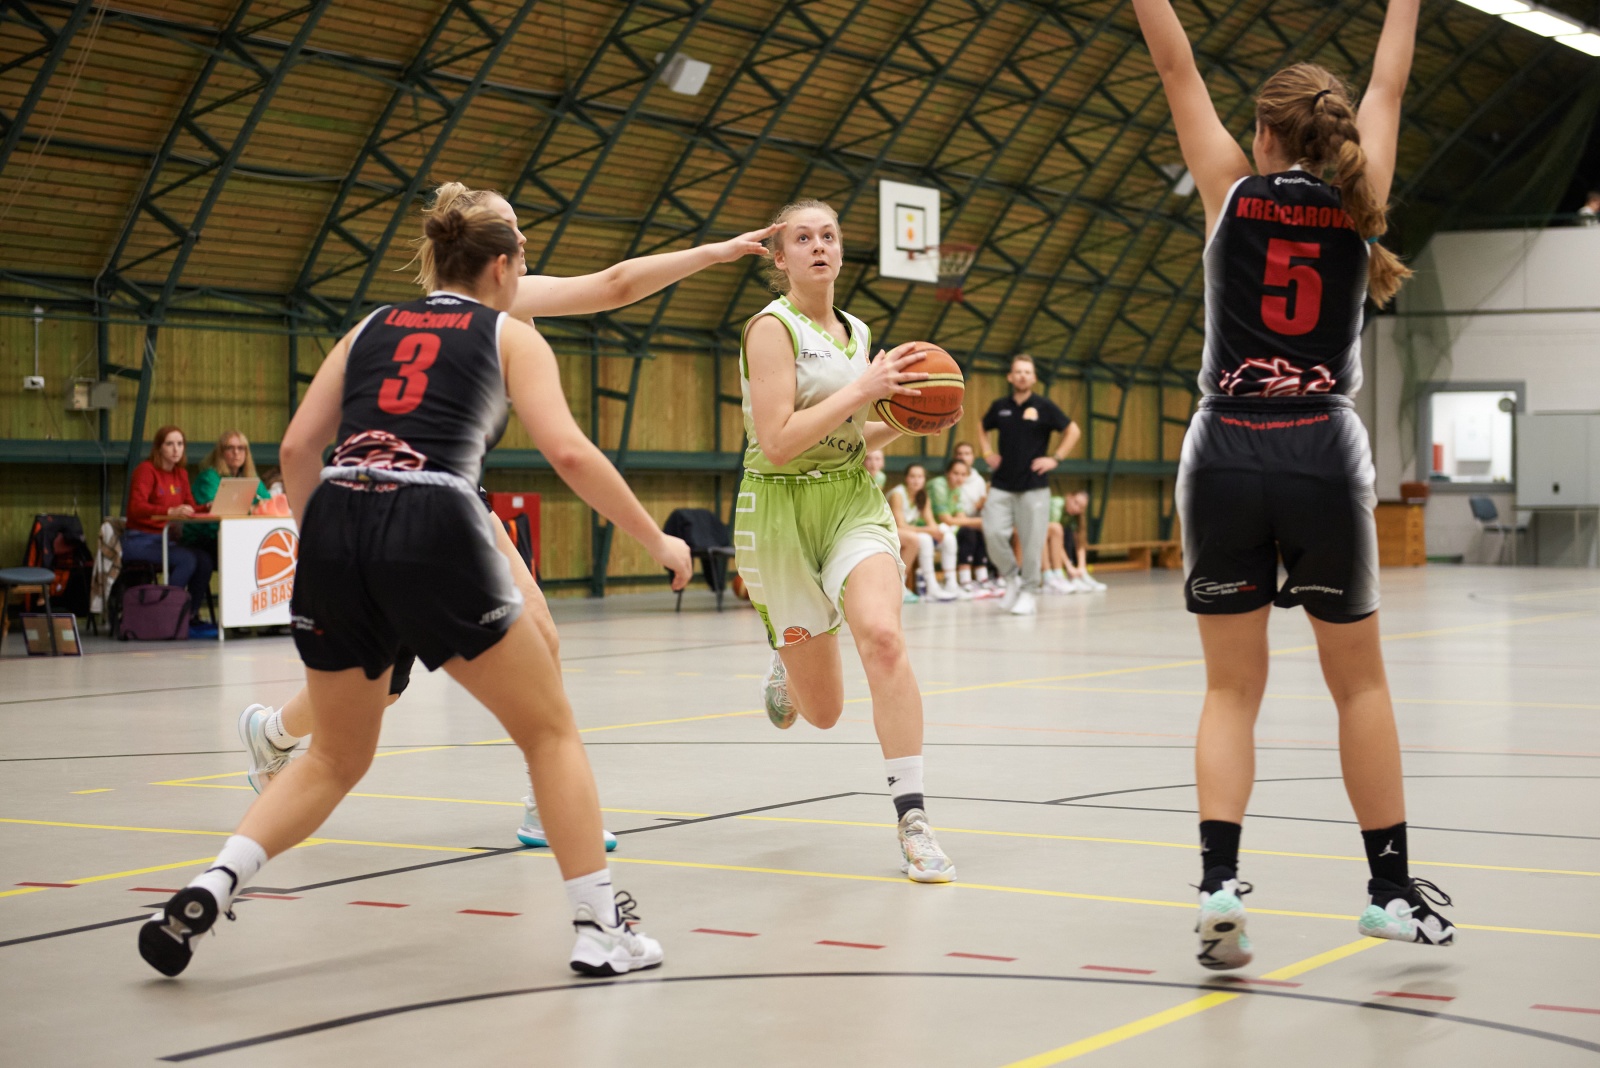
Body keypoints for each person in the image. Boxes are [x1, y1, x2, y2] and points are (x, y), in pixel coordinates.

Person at [138, 204, 693, 980]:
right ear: (500, 267)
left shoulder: (368, 327)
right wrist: (657, 540)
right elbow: (569, 452)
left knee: (333, 757)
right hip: (432, 515)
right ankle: (602, 929)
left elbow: (296, 447)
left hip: (336, 519)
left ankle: (215, 881)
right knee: (548, 732)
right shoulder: (510, 336)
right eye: (522, 260)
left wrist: (325, 543)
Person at [236, 181, 780, 853]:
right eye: (509, 228)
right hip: (417, 497)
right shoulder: (483, 305)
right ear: (483, 249)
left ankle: (530, 801)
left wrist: (713, 253)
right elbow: (612, 286)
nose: (522, 240)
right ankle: (275, 734)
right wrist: (714, 253)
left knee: (507, 644)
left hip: (445, 498)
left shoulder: (484, 302)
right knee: (386, 680)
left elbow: (615, 285)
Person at [1134, 0, 1453, 971]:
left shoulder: (1229, 191)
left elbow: (1176, 67)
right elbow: (1391, 80)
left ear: (1263, 134)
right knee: (1358, 685)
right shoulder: (1361, 201)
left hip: (1225, 451)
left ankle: (1218, 886)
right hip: (1320, 450)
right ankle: (1389, 891)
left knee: (1231, 690)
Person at [737, 197, 956, 883]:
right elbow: (778, 442)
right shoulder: (769, 330)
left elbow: (852, 434)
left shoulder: (857, 332)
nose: (818, 246)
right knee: (824, 713)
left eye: (828, 235)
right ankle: (788, 658)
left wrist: (914, 418)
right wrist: (865, 388)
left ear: (840, 249)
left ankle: (914, 822)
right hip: (777, 512)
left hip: (850, 501)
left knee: (883, 638)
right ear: (780, 258)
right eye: (802, 238)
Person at [980, 355, 1081, 616]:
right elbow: (982, 425)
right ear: (1010, 377)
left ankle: (1028, 592)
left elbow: (1073, 430)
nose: (1023, 375)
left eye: (1027, 372)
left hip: (1034, 486)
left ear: (1034, 378)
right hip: (1002, 484)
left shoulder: (1044, 406)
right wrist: (987, 452)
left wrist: (1055, 458)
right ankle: (1011, 578)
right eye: (1018, 371)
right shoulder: (1000, 406)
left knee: (1032, 543)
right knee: (992, 532)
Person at [122, 425, 214, 628]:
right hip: (140, 539)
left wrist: (207, 507)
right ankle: (164, 614)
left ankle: (189, 615)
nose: (175, 449)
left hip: (166, 540)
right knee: (187, 559)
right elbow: (136, 507)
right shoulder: (145, 470)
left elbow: (189, 507)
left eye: (180, 444)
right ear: (159, 447)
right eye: (170, 444)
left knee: (205, 560)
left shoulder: (181, 474)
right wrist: (170, 511)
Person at [887, 463, 960, 601]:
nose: (916, 480)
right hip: (889, 531)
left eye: (920, 477)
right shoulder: (898, 494)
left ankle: (951, 584)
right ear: (906, 478)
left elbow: (931, 522)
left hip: (908, 532)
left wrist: (938, 532)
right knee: (924, 538)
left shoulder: (923, 496)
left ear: (924, 479)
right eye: (912, 476)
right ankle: (929, 586)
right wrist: (930, 530)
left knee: (949, 537)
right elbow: (900, 525)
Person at [932, 459, 987, 591]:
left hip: (947, 528)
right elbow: (946, 519)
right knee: (968, 532)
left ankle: (982, 578)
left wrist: (979, 524)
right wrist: (980, 522)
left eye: (963, 475)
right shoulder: (938, 485)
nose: (959, 478)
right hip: (932, 528)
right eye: (955, 473)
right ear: (947, 473)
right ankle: (964, 580)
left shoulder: (956, 489)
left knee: (978, 531)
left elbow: (960, 516)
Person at [1044, 490, 1105, 593]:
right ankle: (1058, 575)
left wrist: (1082, 567)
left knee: (1070, 533)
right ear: (1069, 497)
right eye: (1075, 502)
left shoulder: (1073, 515)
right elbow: (1055, 539)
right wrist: (1069, 567)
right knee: (1060, 530)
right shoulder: (1056, 506)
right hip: (1042, 540)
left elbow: (1080, 542)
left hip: (1059, 539)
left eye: (1081, 507)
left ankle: (1078, 576)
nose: (1076, 508)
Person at [192, 431, 270, 509]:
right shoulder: (209, 477)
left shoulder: (251, 476)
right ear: (221, 453)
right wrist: (253, 507)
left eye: (240, 448)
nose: (236, 452)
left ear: (246, 453)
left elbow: (268, 503)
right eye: (230, 448)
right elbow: (216, 508)